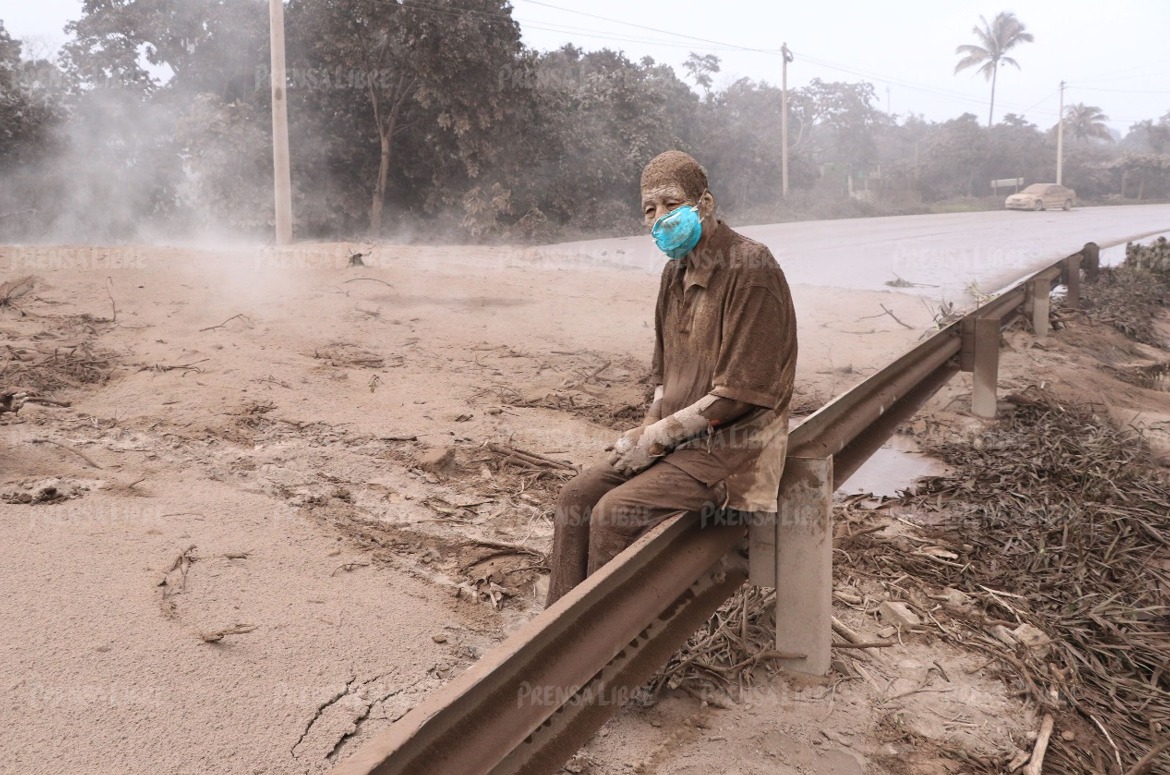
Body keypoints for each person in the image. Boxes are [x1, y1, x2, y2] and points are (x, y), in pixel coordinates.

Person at [545, 150, 798, 606]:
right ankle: (556, 632)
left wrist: (657, 439)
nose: (660, 217)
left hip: (736, 451)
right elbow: (664, 383)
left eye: (671, 204)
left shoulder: (750, 267)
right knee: (576, 496)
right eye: (649, 209)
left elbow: (740, 396)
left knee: (615, 513)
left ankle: (604, 651)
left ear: (704, 203)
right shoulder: (673, 273)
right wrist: (643, 433)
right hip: (681, 442)